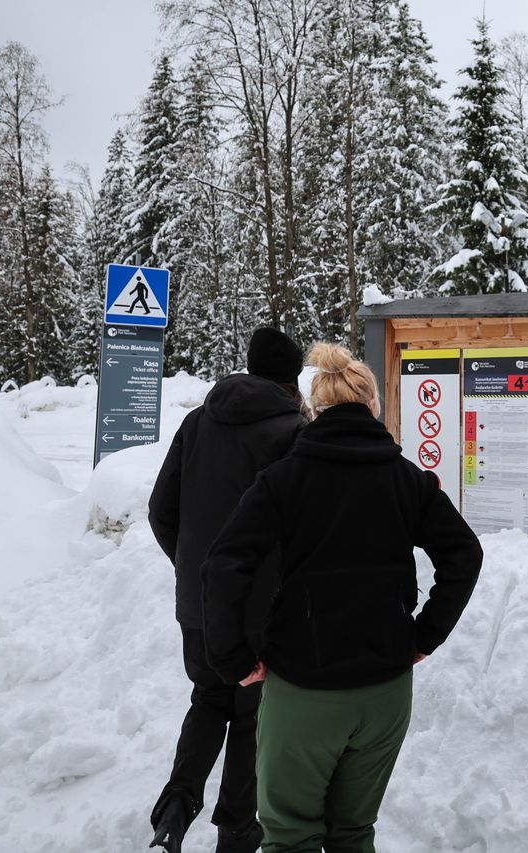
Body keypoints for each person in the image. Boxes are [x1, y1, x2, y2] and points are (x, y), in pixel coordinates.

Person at [199, 342, 483, 853]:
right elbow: (464, 554)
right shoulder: (407, 480)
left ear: (316, 409)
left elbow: (224, 565)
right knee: (354, 832)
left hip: (305, 689)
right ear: (372, 407)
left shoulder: (283, 480)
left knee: (291, 836)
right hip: (386, 692)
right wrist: (423, 636)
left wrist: (232, 658)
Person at [147, 327, 308, 853]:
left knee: (209, 699)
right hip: (263, 611)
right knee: (251, 718)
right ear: (292, 379)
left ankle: (176, 804)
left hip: (199, 607)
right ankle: (237, 829)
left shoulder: (197, 422)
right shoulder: (291, 431)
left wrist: (196, 570)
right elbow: (299, 528)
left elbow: (161, 510)